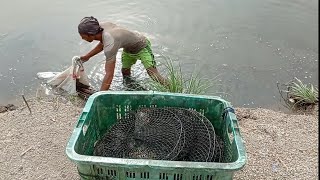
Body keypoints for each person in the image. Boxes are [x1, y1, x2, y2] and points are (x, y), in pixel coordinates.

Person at [78, 16, 166, 91]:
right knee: (125, 72)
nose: (81, 37)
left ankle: (173, 90)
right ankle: (131, 90)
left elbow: (109, 75)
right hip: (128, 48)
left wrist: (99, 95)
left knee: (153, 75)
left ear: (91, 34)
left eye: (83, 35)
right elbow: (103, 42)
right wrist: (87, 56)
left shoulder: (110, 41)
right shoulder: (99, 28)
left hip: (142, 46)